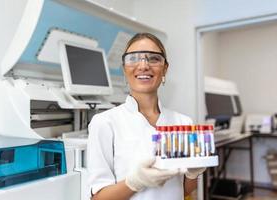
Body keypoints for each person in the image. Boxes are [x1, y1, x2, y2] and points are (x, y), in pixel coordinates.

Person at [87, 32, 205, 200]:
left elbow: (185, 191)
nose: (143, 66)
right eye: (133, 59)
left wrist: (193, 174)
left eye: (154, 59)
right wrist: (134, 182)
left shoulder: (183, 122)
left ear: (165, 68)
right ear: (124, 69)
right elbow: (98, 198)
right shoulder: (105, 123)